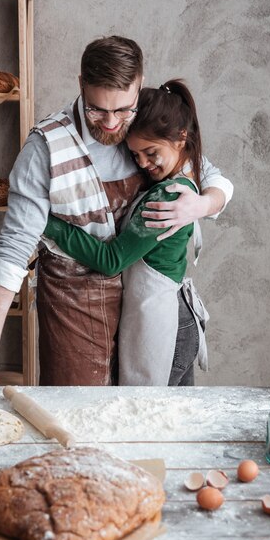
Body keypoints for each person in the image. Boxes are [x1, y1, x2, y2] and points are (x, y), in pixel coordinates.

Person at [0, 36, 233, 399]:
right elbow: (13, 249)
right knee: (79, 419)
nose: (111, 124)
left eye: (122, 109)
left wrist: (202, 205)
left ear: (139, 87)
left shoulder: (145, 126)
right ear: (81, 85)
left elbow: (209, 173)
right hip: (73, 309)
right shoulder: (45, 148)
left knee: (142, 419)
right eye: (97, 110)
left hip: (140, 316)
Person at [44, 80, 211, 385]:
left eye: (150, 153)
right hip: (174, 318)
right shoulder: (182, 172)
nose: (143, 164)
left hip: (166, 325)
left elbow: (111, 259)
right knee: (173, 426)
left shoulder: (168, 198)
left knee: (148, 422)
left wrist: (50, 224)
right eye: (135, 155)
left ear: (180, 138)